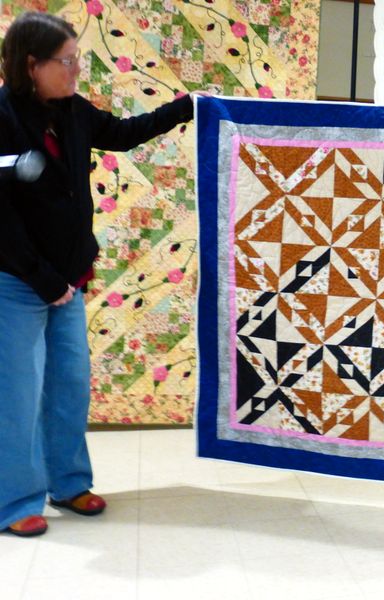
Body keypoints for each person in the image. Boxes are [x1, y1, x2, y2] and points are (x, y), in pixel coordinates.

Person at [0, 11, 194, 537]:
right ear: (31, 65)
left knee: (69, 387)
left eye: (77, 58)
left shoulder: (72, 110)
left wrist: (187, 107)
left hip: (68, 279)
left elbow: (124, 134)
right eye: (66, 61)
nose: (76, 69)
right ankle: (14, 502)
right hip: (17, 282)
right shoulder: (2, 116)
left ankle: (67, 484)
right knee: (17, 397)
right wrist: (42, 279)